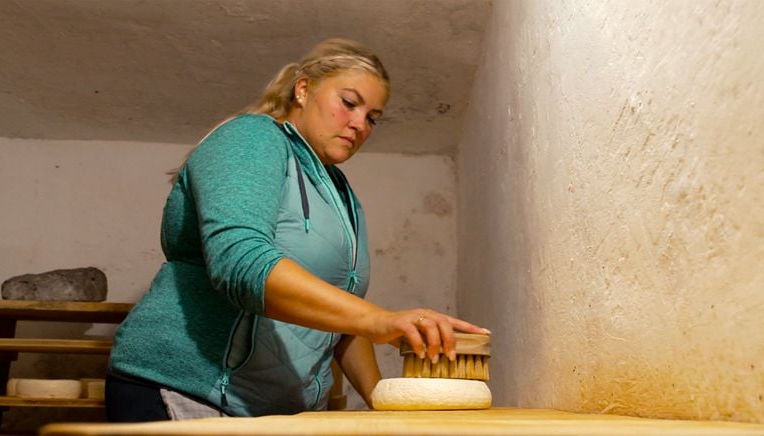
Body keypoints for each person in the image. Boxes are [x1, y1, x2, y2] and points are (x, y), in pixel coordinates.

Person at [105, 38, 489, 421]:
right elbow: (242, 264)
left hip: (279, 413)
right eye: (349, 103)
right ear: (303, 89)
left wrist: (385, 404)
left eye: (372, 117)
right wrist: (380, 319)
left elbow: (343, 320)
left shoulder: (341, 195)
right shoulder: (250, 137)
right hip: (186, 392)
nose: (359, 124)